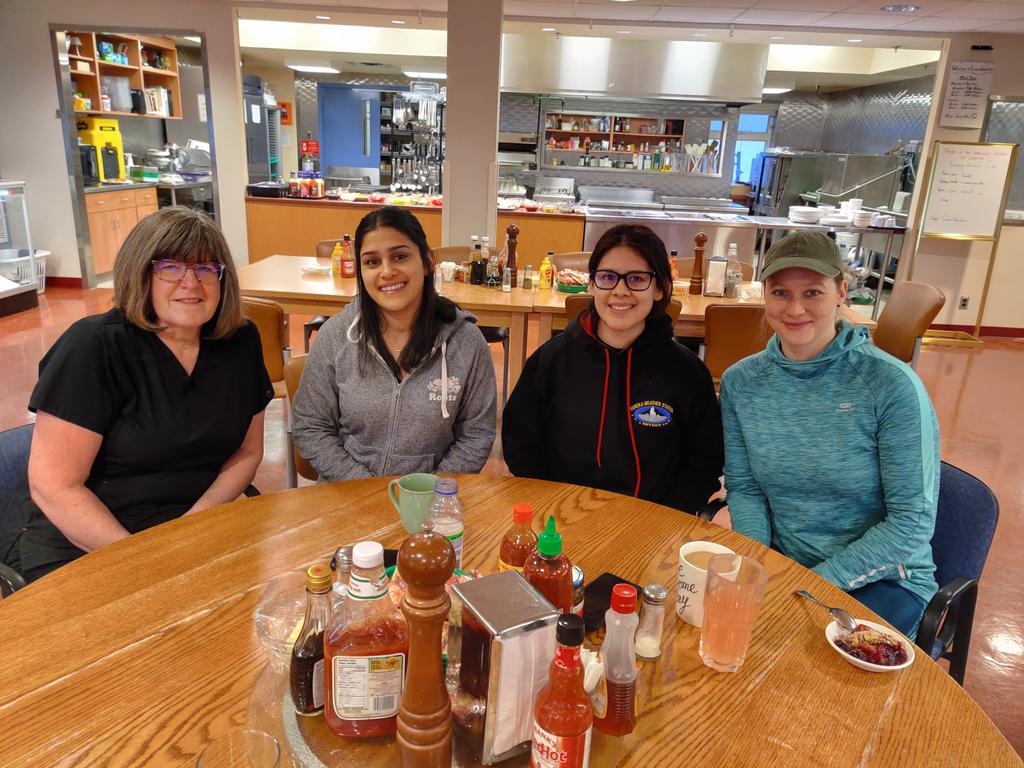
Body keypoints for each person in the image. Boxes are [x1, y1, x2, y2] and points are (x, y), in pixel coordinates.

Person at [19, 207, 273, 582]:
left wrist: (193, 527)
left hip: (201, 523)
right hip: (96, 540)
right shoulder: (93, 346)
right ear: (140, 274)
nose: (191, 283)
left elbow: (248, 452)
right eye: (170, 267)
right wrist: (147, 560)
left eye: (206, 269)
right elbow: (54, 486)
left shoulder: (240, 340)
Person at [720, 231, 939, 637]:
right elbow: (746, 487)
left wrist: (810, 586)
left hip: (881, 579)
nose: (795, 308)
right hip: (784, 566)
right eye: (781, 292)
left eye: (813, 292)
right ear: (764, 295)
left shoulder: (890, 385)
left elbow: (911, 521)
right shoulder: (741, 382)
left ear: (841, 291)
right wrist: (757, 564)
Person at [502, 224, 723, 514]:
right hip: (559, 521)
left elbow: (703, 462)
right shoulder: (551, 360)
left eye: (636, 279)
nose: (620, 291)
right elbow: (520, 444)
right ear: (592, 284)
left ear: (659, 288)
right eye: (607, 277)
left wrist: (664, 518)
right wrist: (551, 505)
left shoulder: (687, 373)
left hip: (653, 524)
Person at [292, 206, 497, 480]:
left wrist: (427, 493)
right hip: (348, 493)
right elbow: (310, 426)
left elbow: (476, 435)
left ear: (428, 261)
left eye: (400, 256)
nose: (387, 272)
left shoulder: (467, 342)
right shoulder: (336, 335)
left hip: (432, 497)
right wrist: (364, 490)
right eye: (372, 262)